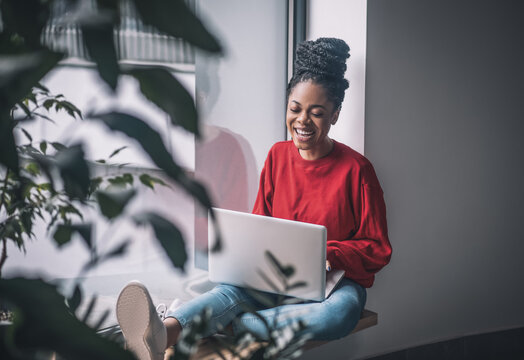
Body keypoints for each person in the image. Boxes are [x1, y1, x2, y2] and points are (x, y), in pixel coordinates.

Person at [115, 37, 392, 360]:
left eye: (316, 113)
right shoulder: (277, 156)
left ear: (335, 115)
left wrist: (329, 254)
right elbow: (258, 226)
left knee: (339, 315)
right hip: (276, 277)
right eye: (295, 108)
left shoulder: (357, 170)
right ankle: (163, 333)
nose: (302, 121)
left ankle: (239, 325)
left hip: (336, 284)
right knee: (227, 292)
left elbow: (378, 249)